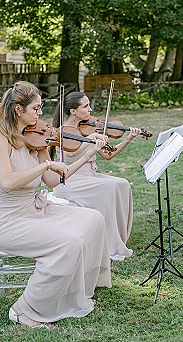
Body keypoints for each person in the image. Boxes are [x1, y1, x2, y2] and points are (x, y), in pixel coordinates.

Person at [0, 81, 111, 329]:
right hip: (6, 221)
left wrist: (86, 155)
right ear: (18, 109)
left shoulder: (36, 138)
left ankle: (75, 290)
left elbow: (53, 181)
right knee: (70, 243)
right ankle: (23, 310)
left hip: (33, 210)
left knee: (93, 218)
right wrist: (44, 165)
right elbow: (7, 183)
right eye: (36, 108)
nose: (41, 114)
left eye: (41, 107)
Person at [51, 92, 141, 262]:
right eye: (85, 106)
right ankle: (109, 243)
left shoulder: (90, 127)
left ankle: (118, 237)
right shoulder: (63, 132)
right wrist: (90, 139)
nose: (90, 109)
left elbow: (108, 155)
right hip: (71, 179)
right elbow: (74, 152)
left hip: (90, 175)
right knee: (109, 187)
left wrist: (127, 139)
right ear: (73, 111)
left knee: (122, 184)